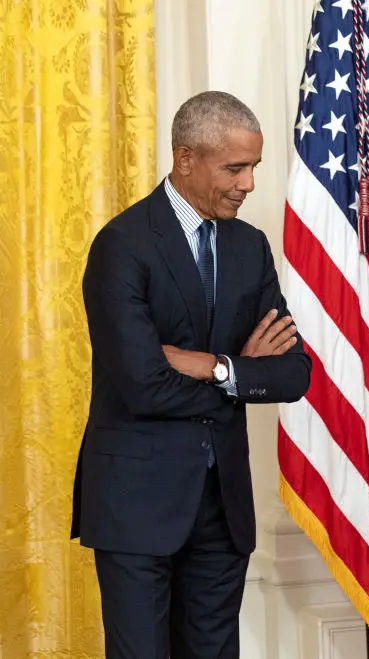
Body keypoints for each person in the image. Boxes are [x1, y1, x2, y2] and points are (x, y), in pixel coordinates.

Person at [70, 91, 312, 658]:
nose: (248, 183)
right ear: (186, 159)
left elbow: (294, 375)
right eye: (235, 167)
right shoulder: (122, 246)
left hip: (221, 510)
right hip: (136, 507)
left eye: (253, 166)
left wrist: (214, 365)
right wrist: (241, 376)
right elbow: (143, 385)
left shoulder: (250, 247)